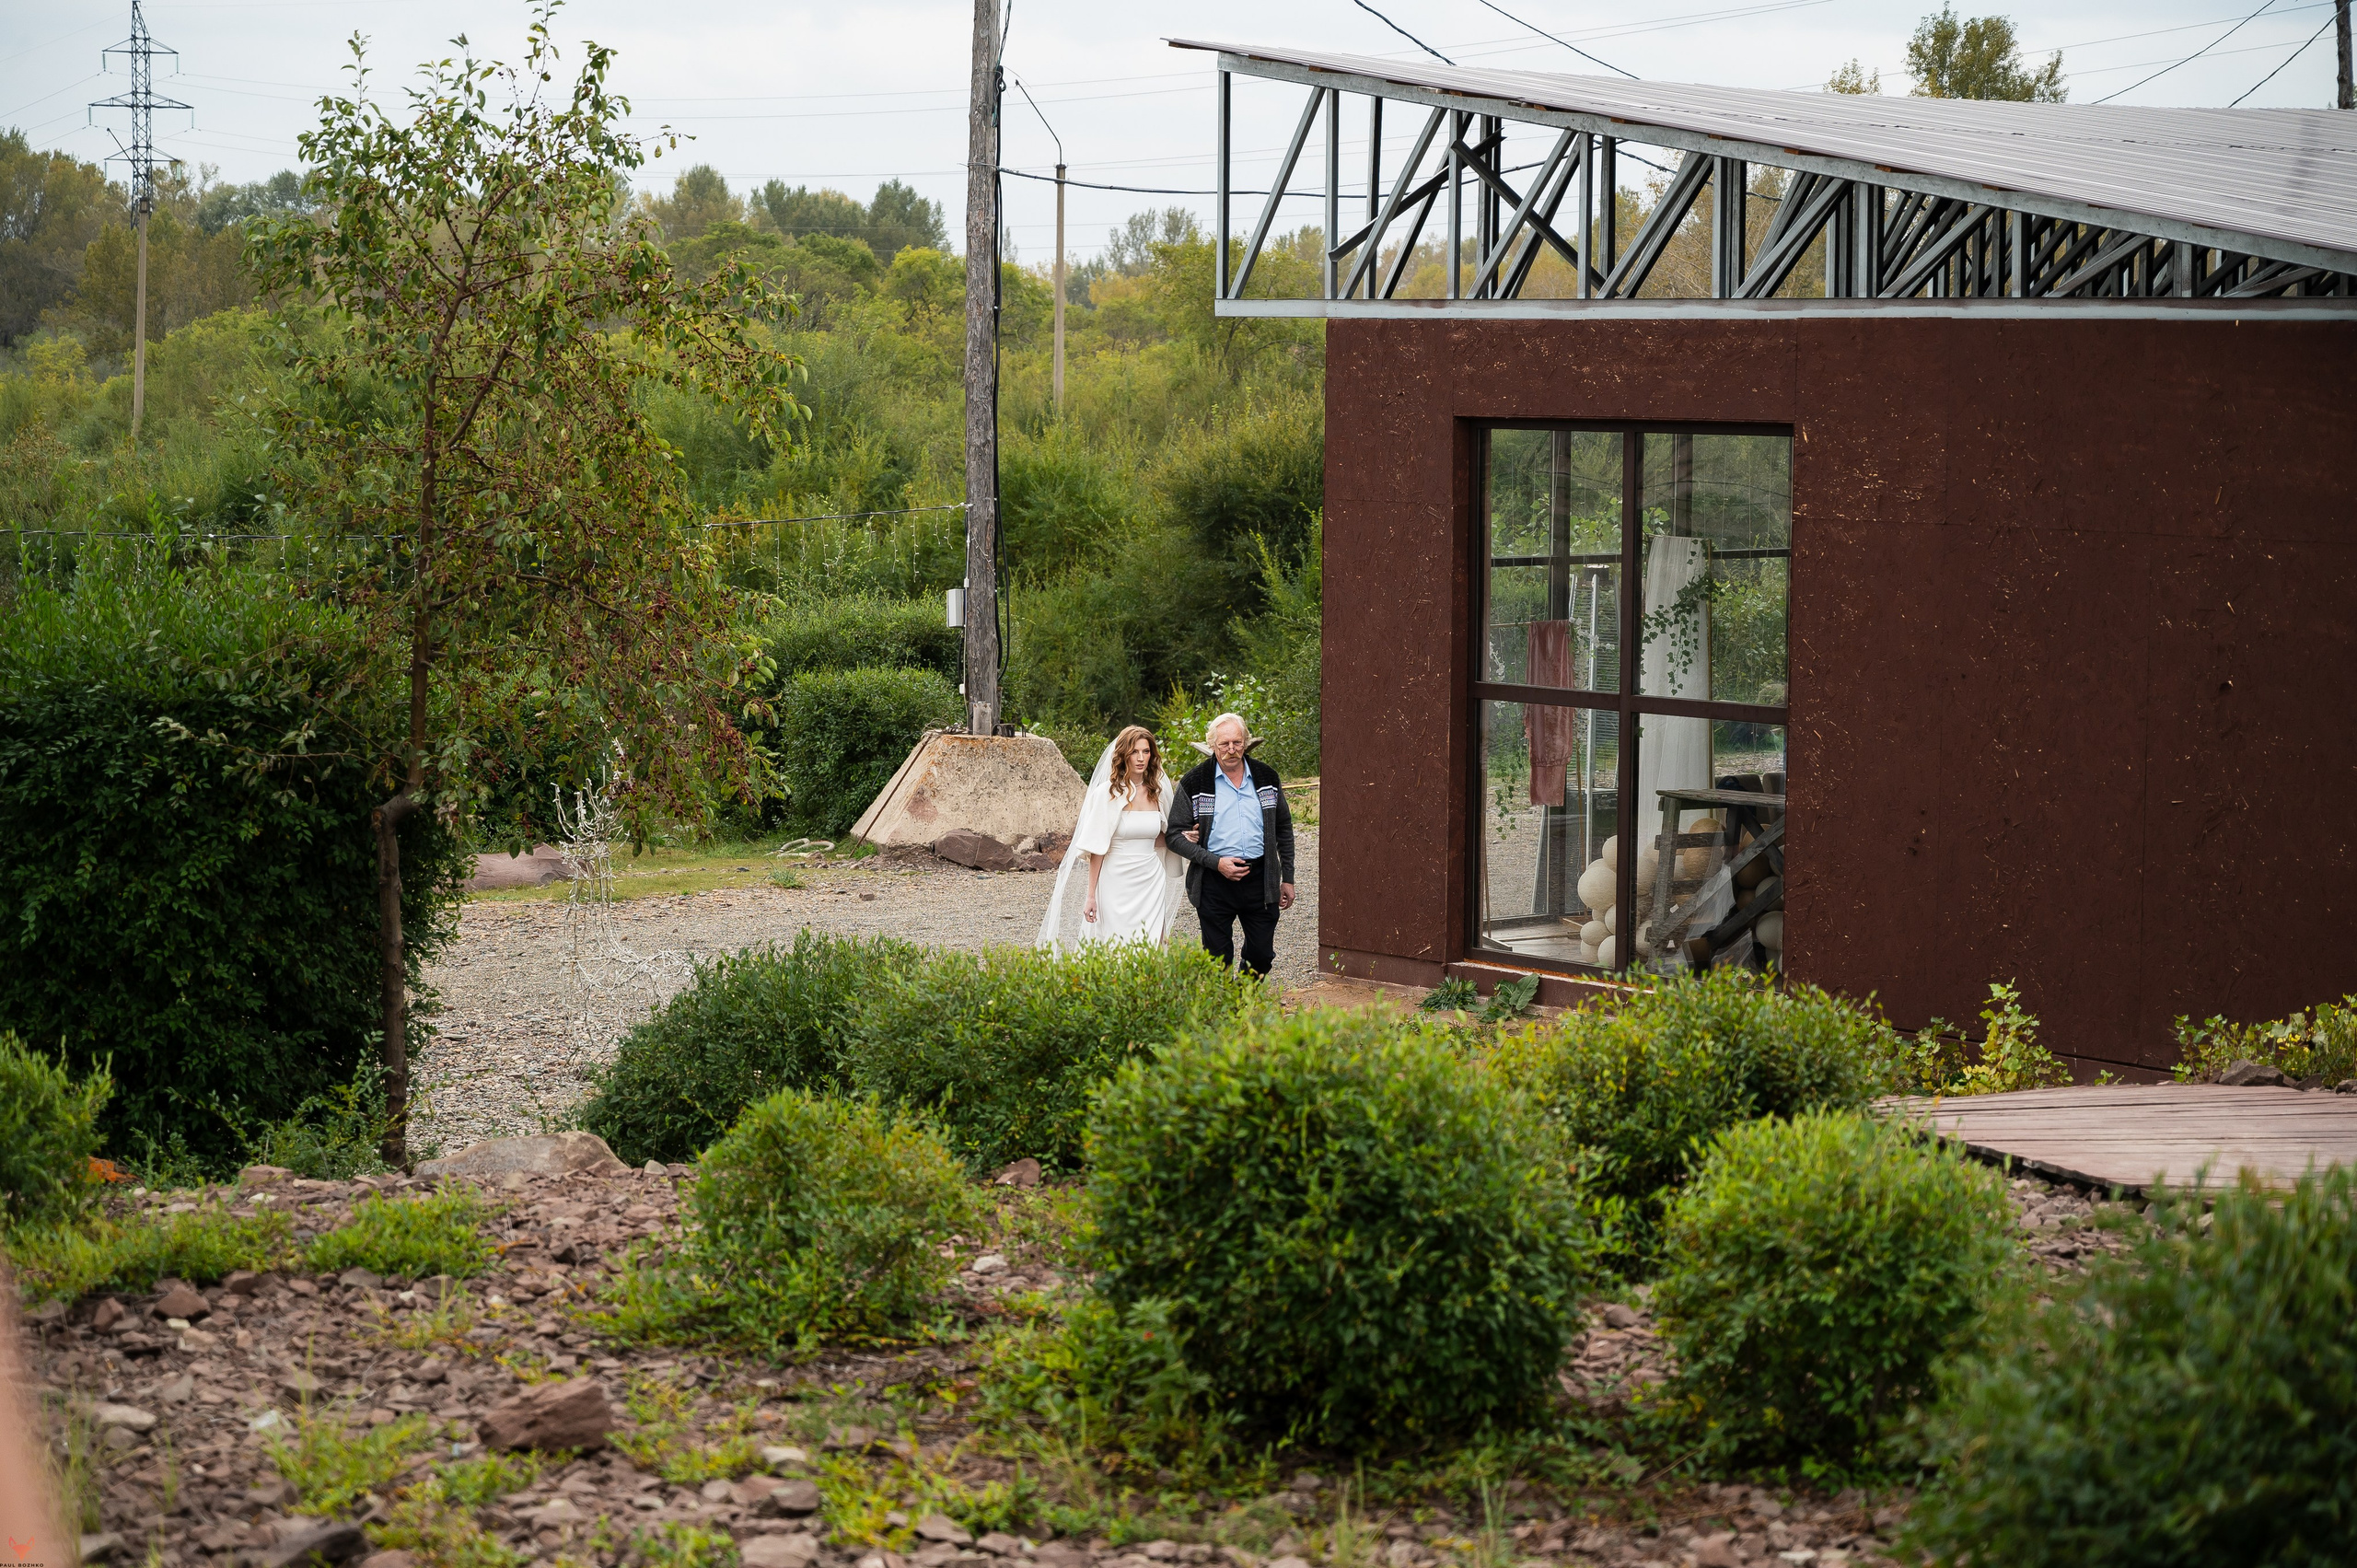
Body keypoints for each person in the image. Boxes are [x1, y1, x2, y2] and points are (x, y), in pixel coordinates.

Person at [1036, 725, 1187, 951]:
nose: (1141, 758)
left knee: (1150, 944)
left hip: (1150, 879)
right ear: (1123, 754)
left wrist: (1185, 836)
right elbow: (1097, 848)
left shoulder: (1158, 793)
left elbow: (1156, 838)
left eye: (1146, 751)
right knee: (1115, 944)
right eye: (1134, 752)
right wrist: (1091, 896)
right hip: (1115, 880)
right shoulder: (1106, 794)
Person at [1166, 712, 1295, 976]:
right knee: (1217, 959)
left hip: (1260, 878)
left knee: (1261, 956)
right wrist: (1216, 862)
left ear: (1246, 742)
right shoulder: (1194, 782)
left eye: (1237, 742)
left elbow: (1283, 827)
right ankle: (1224, 1001)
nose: (1231, 750)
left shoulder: (1266, 777)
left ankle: (1239, 997)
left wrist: (1288, 878)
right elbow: (1174, 835)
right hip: (1214, 880)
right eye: (1224, 744)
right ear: (1212, 745)